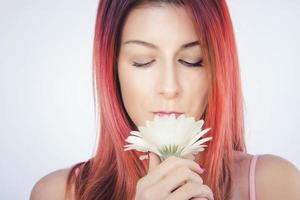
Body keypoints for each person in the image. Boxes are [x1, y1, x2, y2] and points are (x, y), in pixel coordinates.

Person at [30, 0, 300, 200]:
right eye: (143, 62)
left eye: (192, 61)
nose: (169, 88)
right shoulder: (57, 193)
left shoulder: (275, 184)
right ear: (112, 70)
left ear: (218, 68)